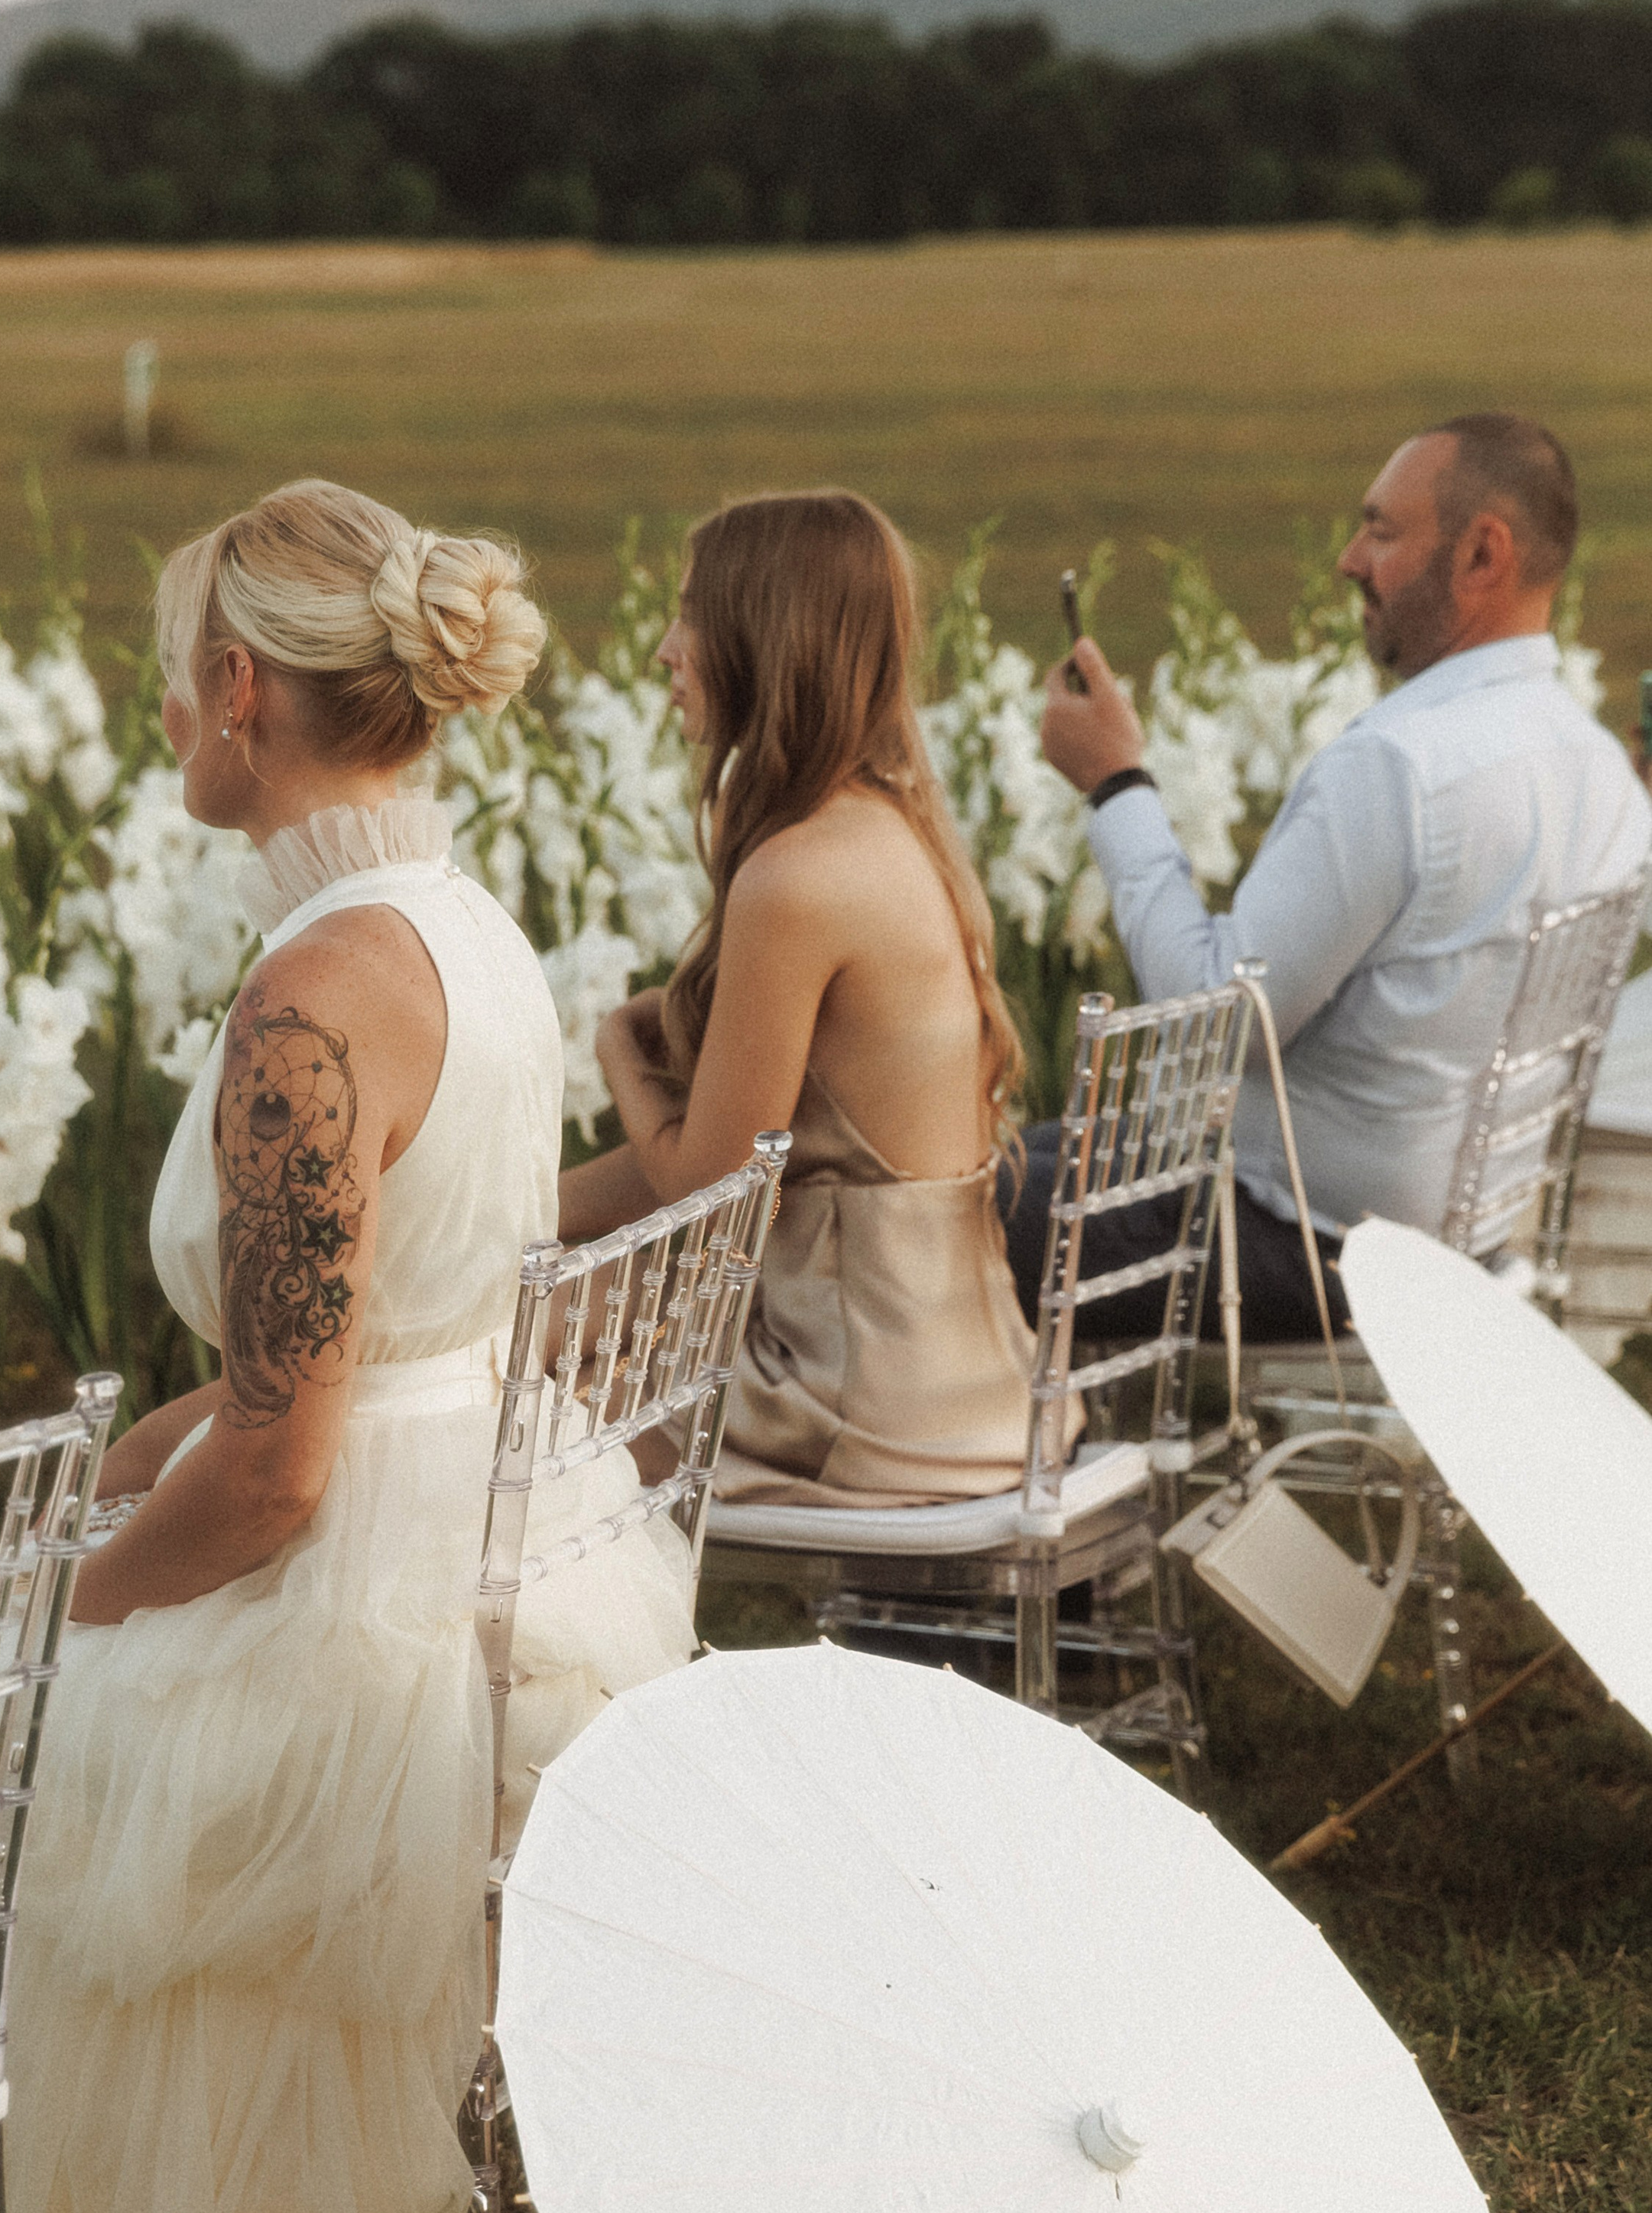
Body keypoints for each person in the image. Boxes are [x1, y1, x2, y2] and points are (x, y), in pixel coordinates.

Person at [0, 481, 694, 2213]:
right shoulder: (472, 937)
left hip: (345, 1604)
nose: (171, 717)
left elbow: (274, 1470)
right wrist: (128, 1466)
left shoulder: (311, 1007)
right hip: (453, 1524)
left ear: (242, 692)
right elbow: (358, 1349)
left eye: (178, 683)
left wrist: (59, 1607)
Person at [1008, 413, 1652, 1340]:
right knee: (958, 1173)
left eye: (1382, 531)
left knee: (888, 1226)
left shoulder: (1399, 767)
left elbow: (1209, 1022)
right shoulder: (1600, 770)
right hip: (1451, 1233)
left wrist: (1116, 784)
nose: (1350, 558)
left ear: (1482, 555)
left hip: (1306, 1242)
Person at [559, 488, 1050, 1506]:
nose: (664, 649)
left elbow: (707, 1191)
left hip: (850, 1409)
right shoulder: (893, 832)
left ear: (761, 640)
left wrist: (614, 1046)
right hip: (960, 1384)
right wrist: (518, 1218)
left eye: (691, 615)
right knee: (539, 1324)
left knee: (487, 1413)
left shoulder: (797, 879)